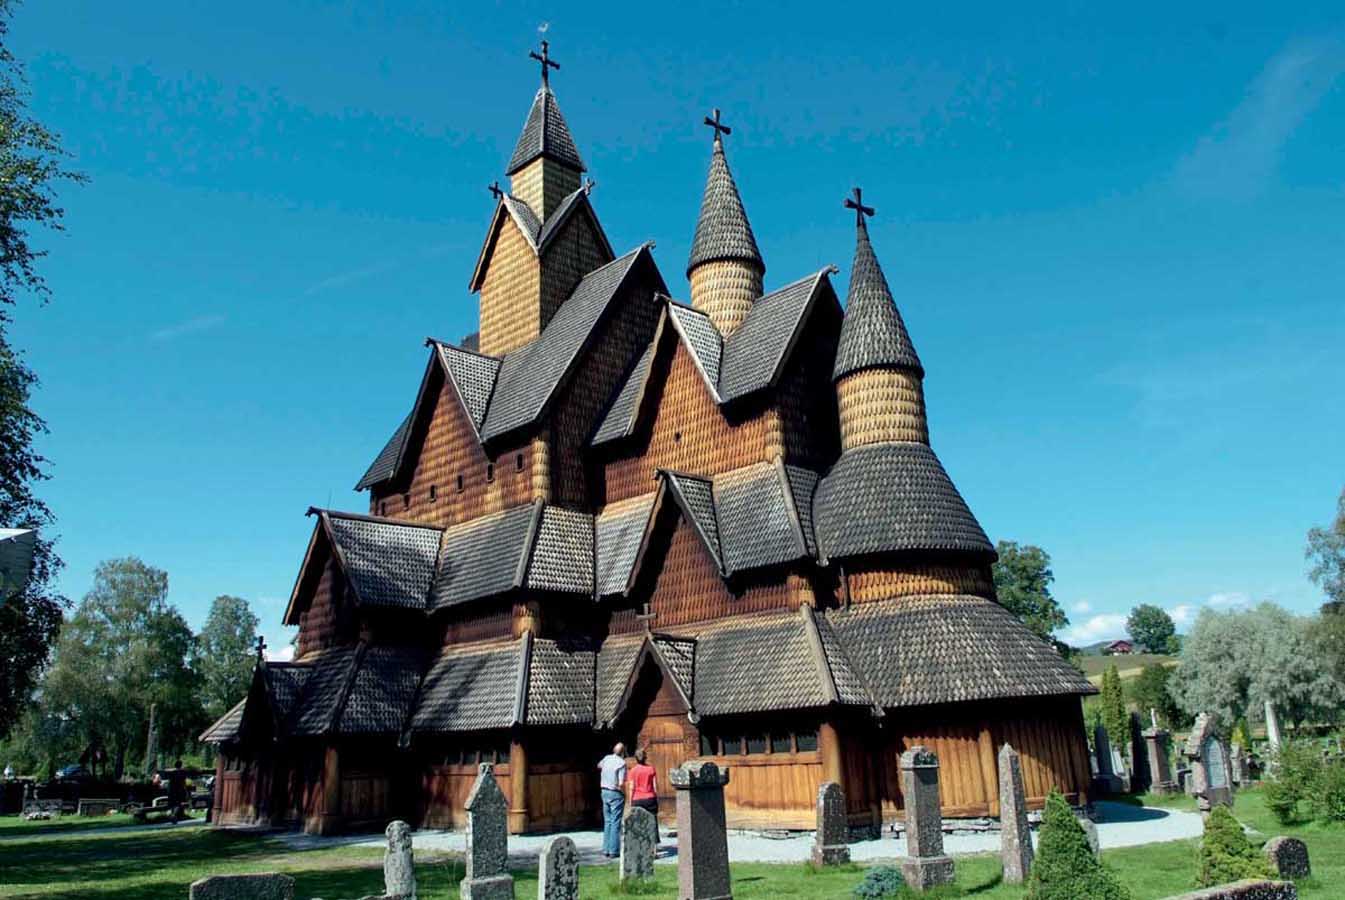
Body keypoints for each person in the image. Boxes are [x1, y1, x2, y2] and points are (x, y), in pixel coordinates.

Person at [597, 742, 627, 858]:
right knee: (615, 822)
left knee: (608, 821)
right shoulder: (621, 763)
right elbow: (620, 783)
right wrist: (624, 794)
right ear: (623, 752)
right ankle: (614, 850)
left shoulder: (606, 758)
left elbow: (599, 766)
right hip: (615, 793)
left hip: (604, 791)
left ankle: (606, 849)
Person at [627, 747, 659, 844]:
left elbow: (631, 787)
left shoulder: (632, 770)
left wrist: (630, 801)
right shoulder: (651, 769)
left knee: (638, 824)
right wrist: (656, 797)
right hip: (650, 798)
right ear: (645, 757)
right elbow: (655, 786)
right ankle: (654, 849)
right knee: (653, 822)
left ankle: (640, 846)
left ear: (636, 758)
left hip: (637, 799)